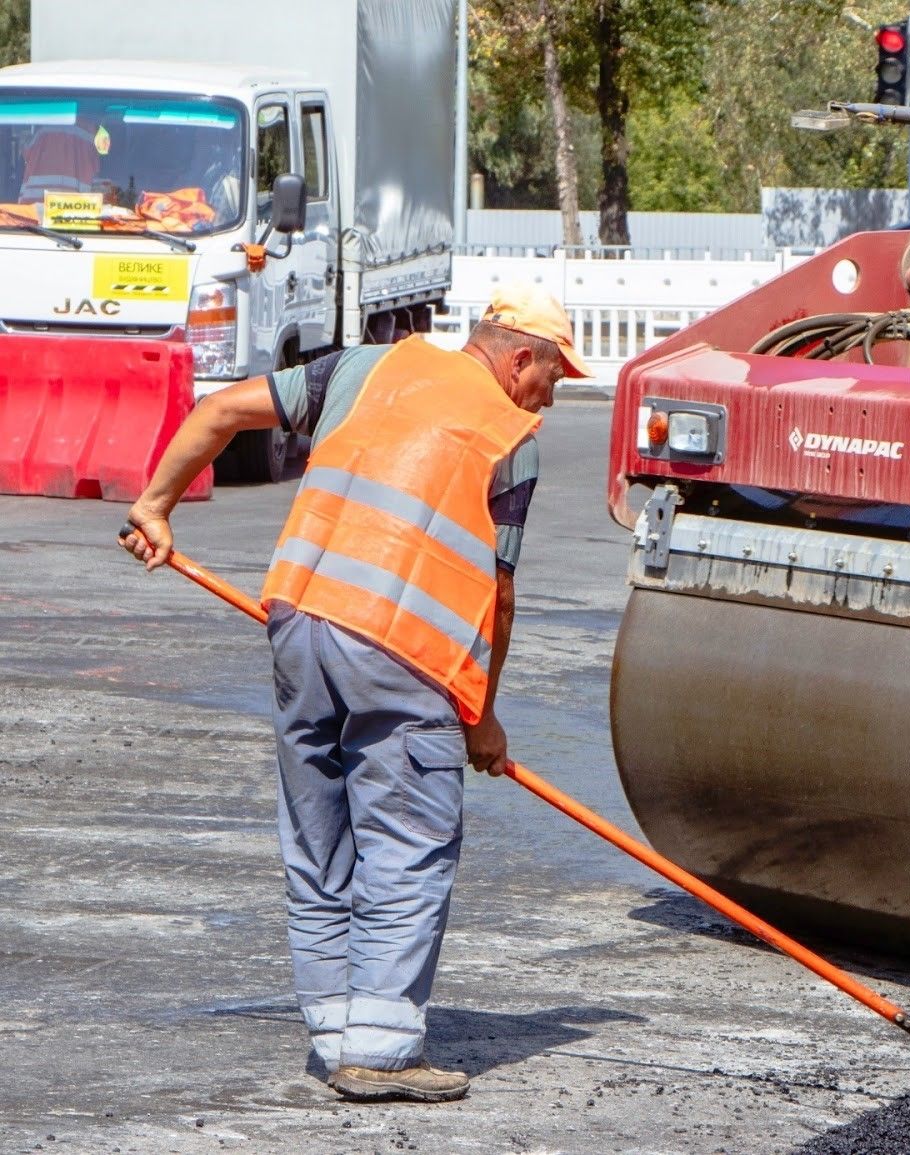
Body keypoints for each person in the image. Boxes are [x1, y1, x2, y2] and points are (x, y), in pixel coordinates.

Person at [120, 284, 592, 1103]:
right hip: (401, 652)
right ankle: (379, 1049)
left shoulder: (366, 367)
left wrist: (156, 504)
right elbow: (497, 591)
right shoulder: (510, 435)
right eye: (553, 376)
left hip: (298, 622)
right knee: (407, 839)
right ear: (519, 357)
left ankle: (337, 1032)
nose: (551, 396)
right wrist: (481, 716)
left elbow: (225, 410)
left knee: (319, 838)